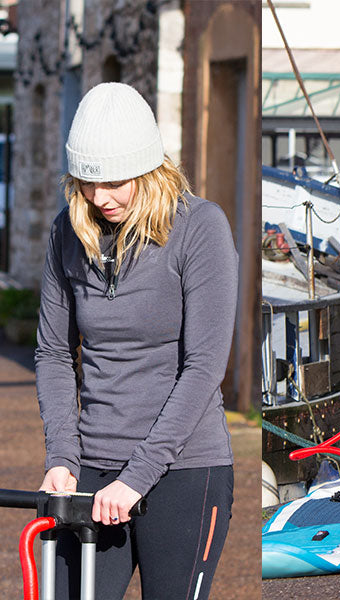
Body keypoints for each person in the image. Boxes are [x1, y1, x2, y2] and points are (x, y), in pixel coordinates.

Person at [34, 82, 238, 597]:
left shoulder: (201, 228)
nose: (99, 198)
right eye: (86, 182)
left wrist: (137, 476)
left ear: (149, 169)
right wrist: (62, 458)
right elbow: (55, 353)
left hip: (184, 470)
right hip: (92, 468)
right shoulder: (68, 232)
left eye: (115, 183)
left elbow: (204, 366)